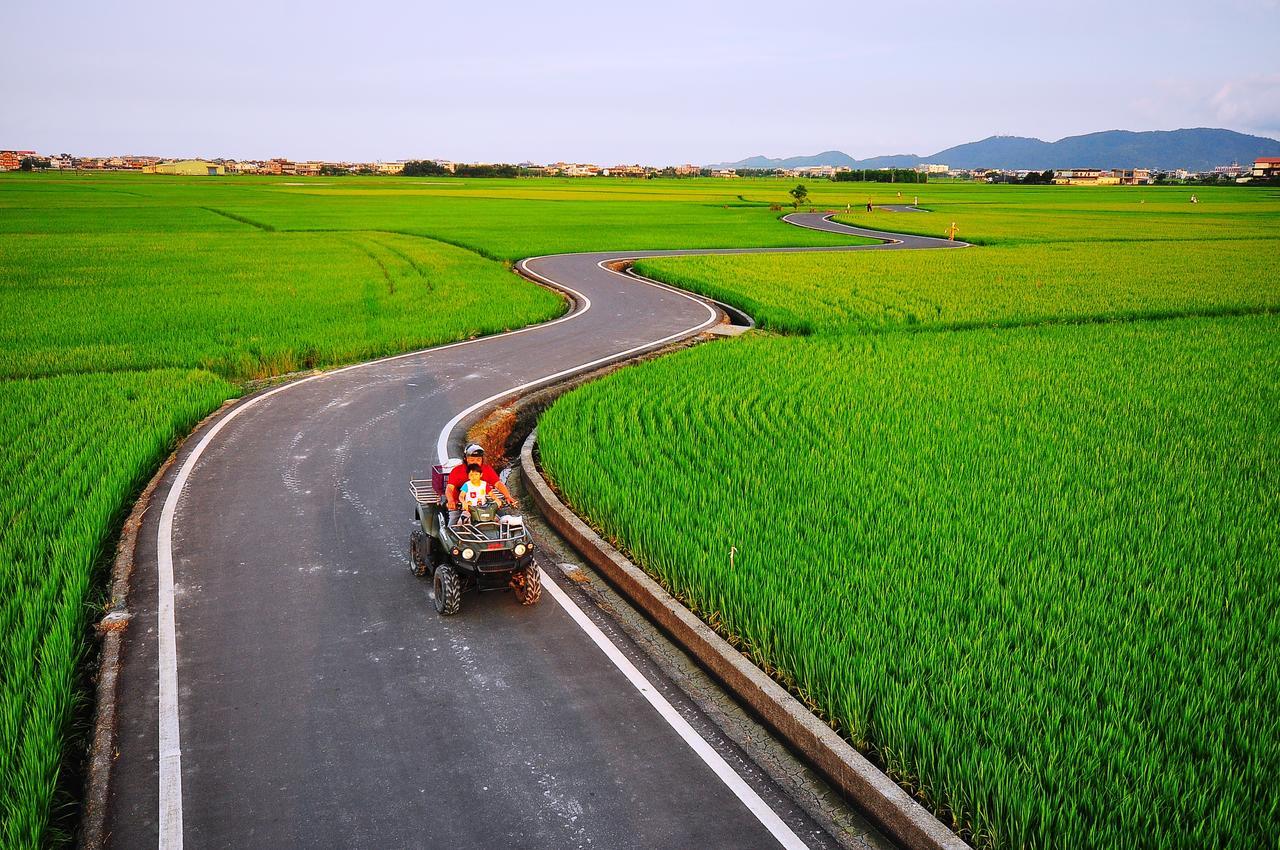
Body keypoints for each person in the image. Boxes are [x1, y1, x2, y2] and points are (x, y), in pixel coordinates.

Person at [446, 443, 518, 526]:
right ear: (465, 459)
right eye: (472, 460)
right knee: (453, 524)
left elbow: (498, 484)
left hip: (481, 506)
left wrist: (507, 496)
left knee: (502, 519)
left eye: (478, 460)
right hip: (460, 506)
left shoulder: (487, 470)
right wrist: (451, 501)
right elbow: (449, 488)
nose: (475, 462)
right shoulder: (457, 471)